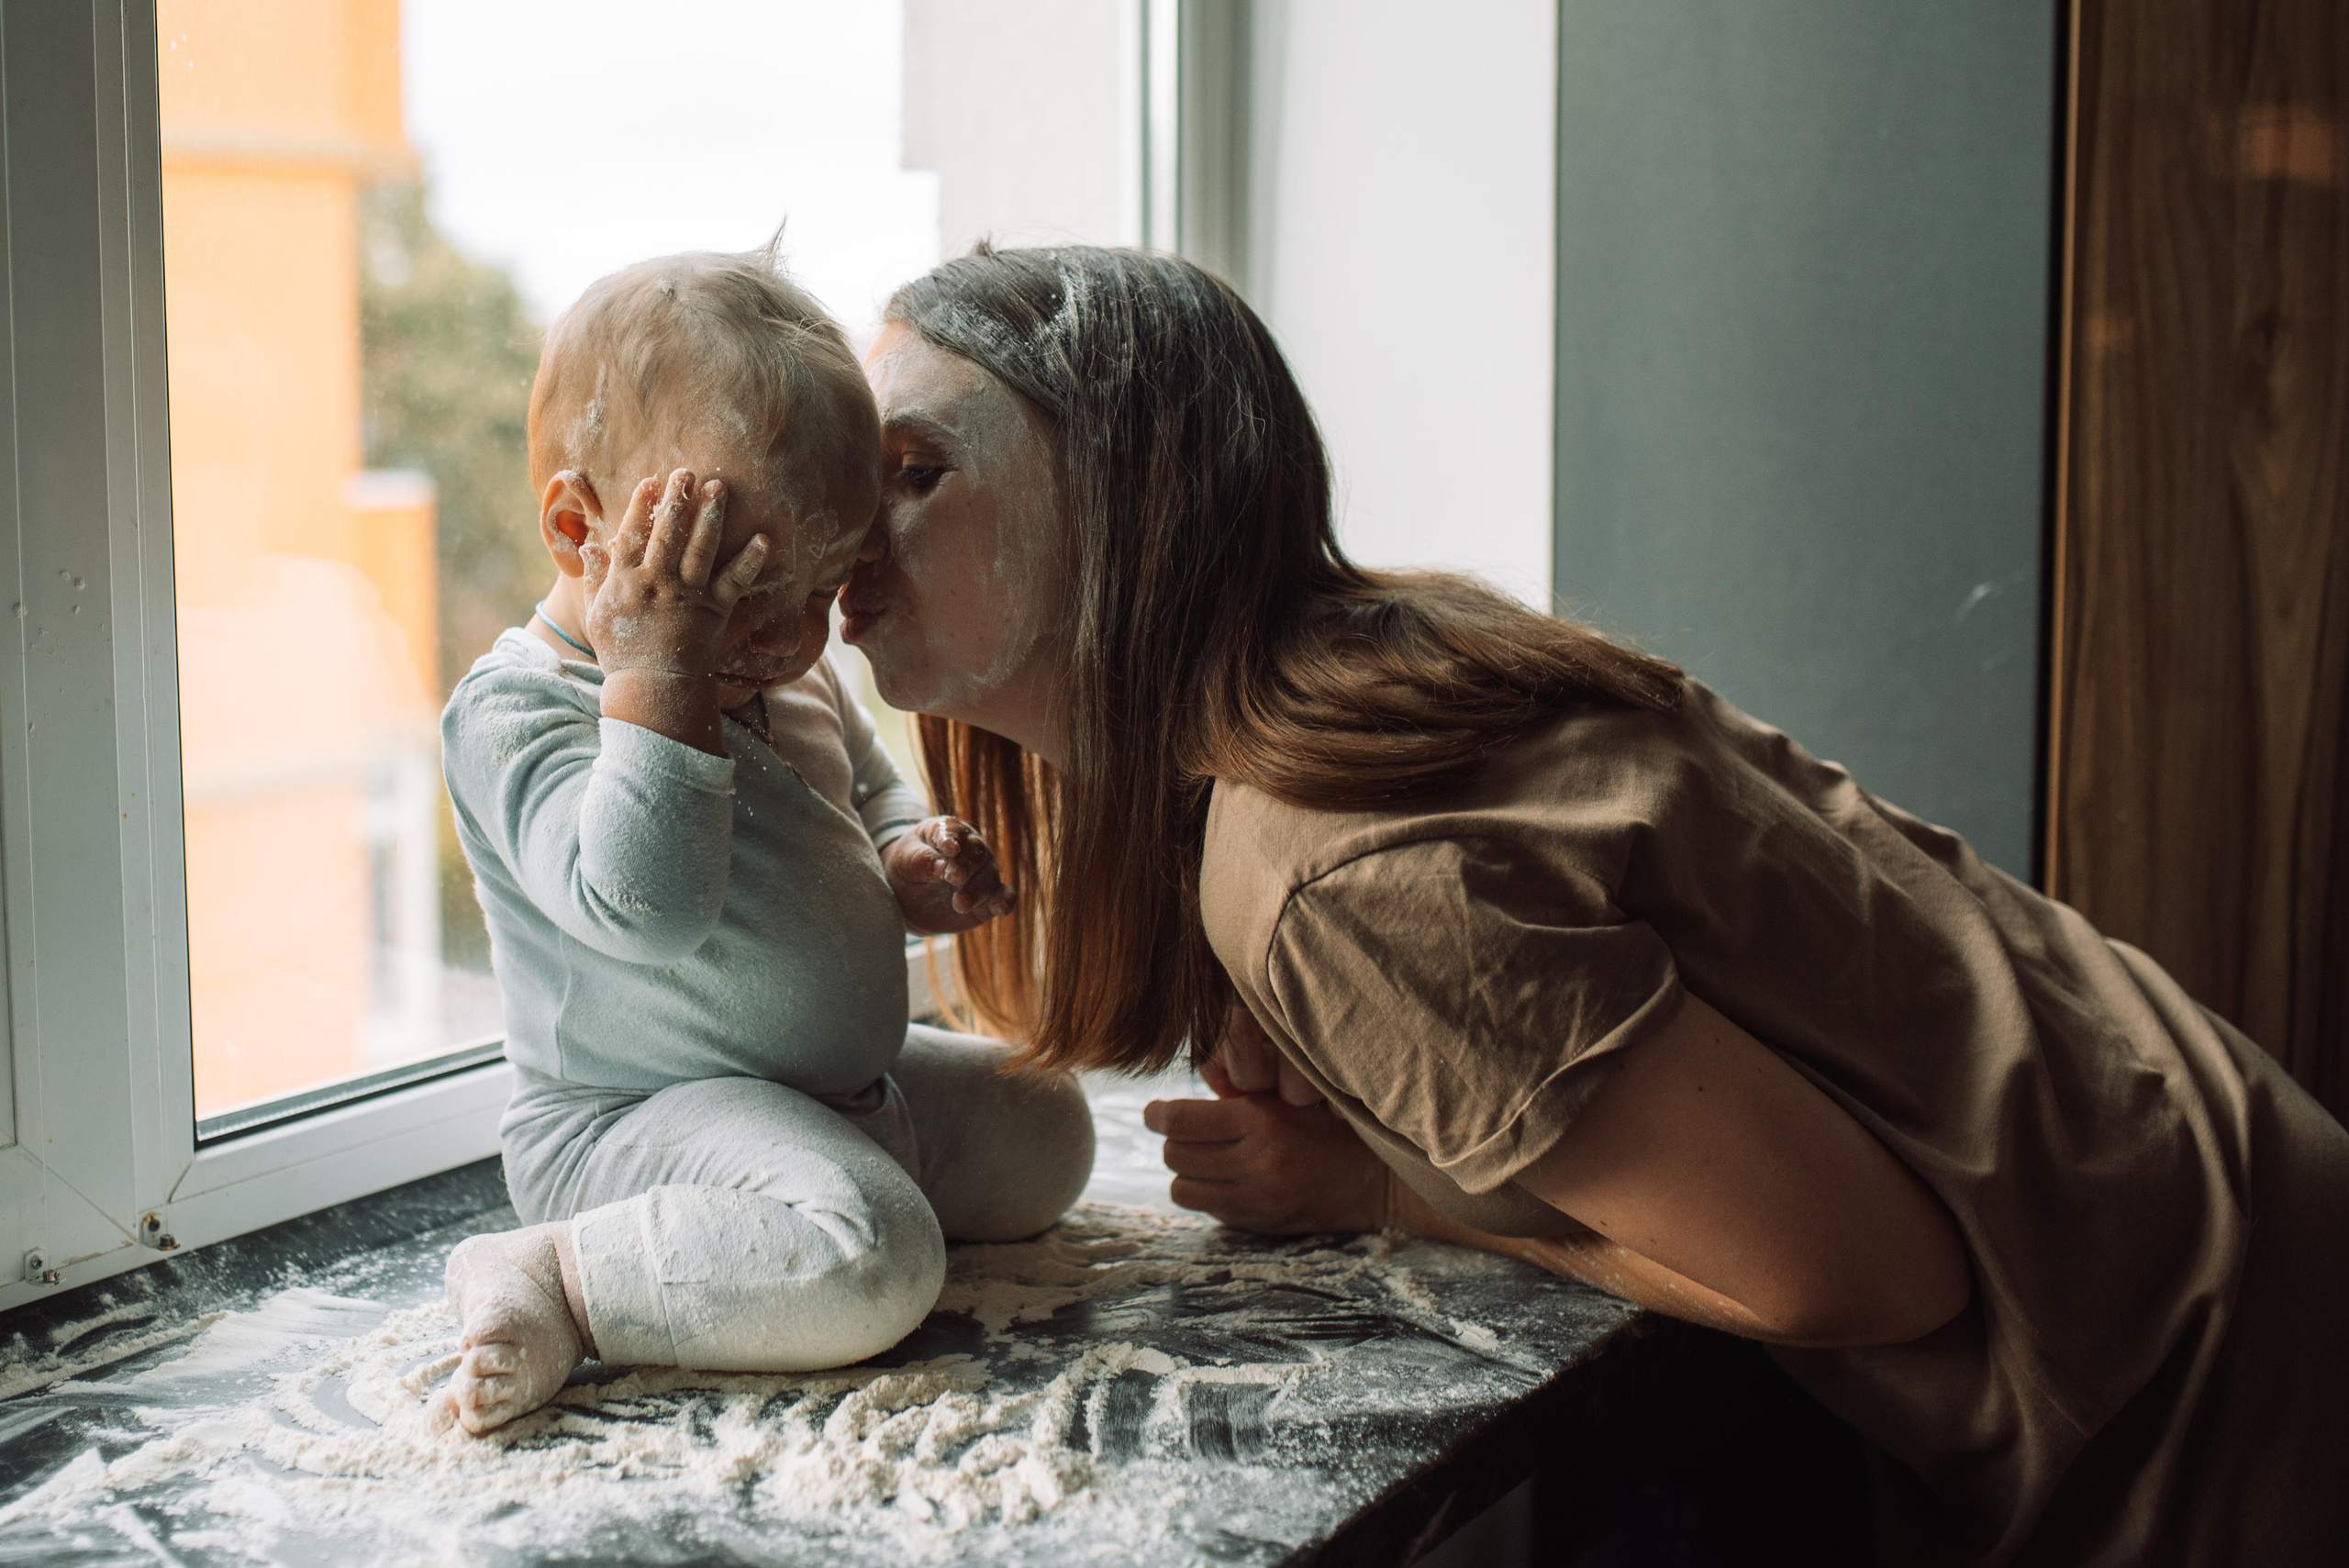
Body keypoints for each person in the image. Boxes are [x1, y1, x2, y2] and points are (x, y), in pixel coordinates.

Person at [838, 242, 2349, 1566]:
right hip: (2217, 1190)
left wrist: (1379, 1191)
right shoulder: (1374, 658)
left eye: (915, 474)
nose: (854, 534)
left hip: (2211, 1383)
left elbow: (1858, 1269)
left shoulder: (1325, 861)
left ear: (1128, 499)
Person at [432, 248, 1094, 1436]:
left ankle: (781, 1224)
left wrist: (908, 858)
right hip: (632, 1123)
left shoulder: (786, 666)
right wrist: (655, 678)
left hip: (829, 1096)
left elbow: (872, 794)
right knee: (878, 1261)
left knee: (1049, 1126)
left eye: (825, 585)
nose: (797, 638)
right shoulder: (515, 708)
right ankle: (562, 1276)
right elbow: (645, 905)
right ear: (582, 529)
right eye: (745, 588)